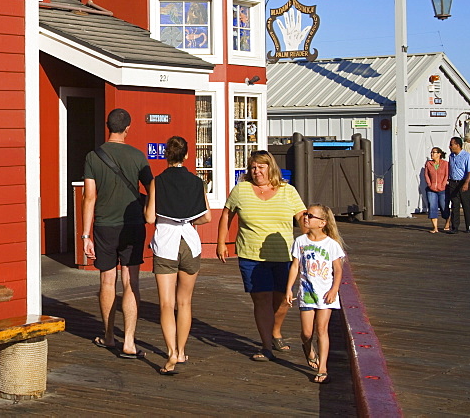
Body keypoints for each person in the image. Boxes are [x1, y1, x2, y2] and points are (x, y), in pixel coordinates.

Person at [216, 150, 306, 361]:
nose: (256, 171)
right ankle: (266, 345)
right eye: (253, 167)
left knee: (283, 299)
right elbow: (226, 214)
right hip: (251, 253)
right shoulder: (241, 190)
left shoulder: (288, 191)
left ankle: (275, 331)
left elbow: (302, 217)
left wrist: (313, 240)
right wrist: (221, 243)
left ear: (270, 168)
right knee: (262, 299)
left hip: (283, 253)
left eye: (261, 167)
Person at [82, 108, 154, 359]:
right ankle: (130, 342)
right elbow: (151, 187)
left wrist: (85, 235)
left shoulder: (93, 156)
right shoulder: (137, 156)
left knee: (107, 281)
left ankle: (110, 335)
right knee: (131, 282)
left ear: (107, 126)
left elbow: (89, 197)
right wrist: (149, 214)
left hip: (103, 225)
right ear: (128, 128)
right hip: (133, 224)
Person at [144, 136, 211, 375]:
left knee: (166, 303)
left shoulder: (157, 181)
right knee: (185, 302)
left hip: (166, 241)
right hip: (189, 242)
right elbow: (206, 217)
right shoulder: (196, 182)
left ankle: (170, 350)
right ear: (186, 155)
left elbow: (150, 217)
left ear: (166, 155)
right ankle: (181, 351)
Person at [284, 203, 346, 384]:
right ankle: (308, 349)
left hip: (326, 293)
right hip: (307, 292)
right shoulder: (300, 241)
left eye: (310, 216)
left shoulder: (331, 244)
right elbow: (295, 266)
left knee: (322, 330)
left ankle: (322, 368)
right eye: (305, 214)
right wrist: (289, 288)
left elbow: (338, 270)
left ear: (322, 223)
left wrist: (335, 289)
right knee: (306, 332)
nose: (306, 218)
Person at [446, 136, 470, 233]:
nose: (450, 146)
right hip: (453, 182)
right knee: (454, 205)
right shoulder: (451, 156)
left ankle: (469, 225)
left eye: (451, 144)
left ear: (457, 145)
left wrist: (466, 183)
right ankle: (454, 227)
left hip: (463, 182)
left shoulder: (467, 156)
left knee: (466, 204)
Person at [423, 147, 449, 233]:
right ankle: (435, 227)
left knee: (443, 206)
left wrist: (443, 184)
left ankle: (447, 222)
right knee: (432, 206)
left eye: (434, 152)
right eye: (431, 152)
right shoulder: (428, 164)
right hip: (431, 189)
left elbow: (446, 175)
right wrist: (430, 184)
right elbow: (426, 175)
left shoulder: (445, 164)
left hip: (443, 189)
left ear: (439, 154)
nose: (432, 154)